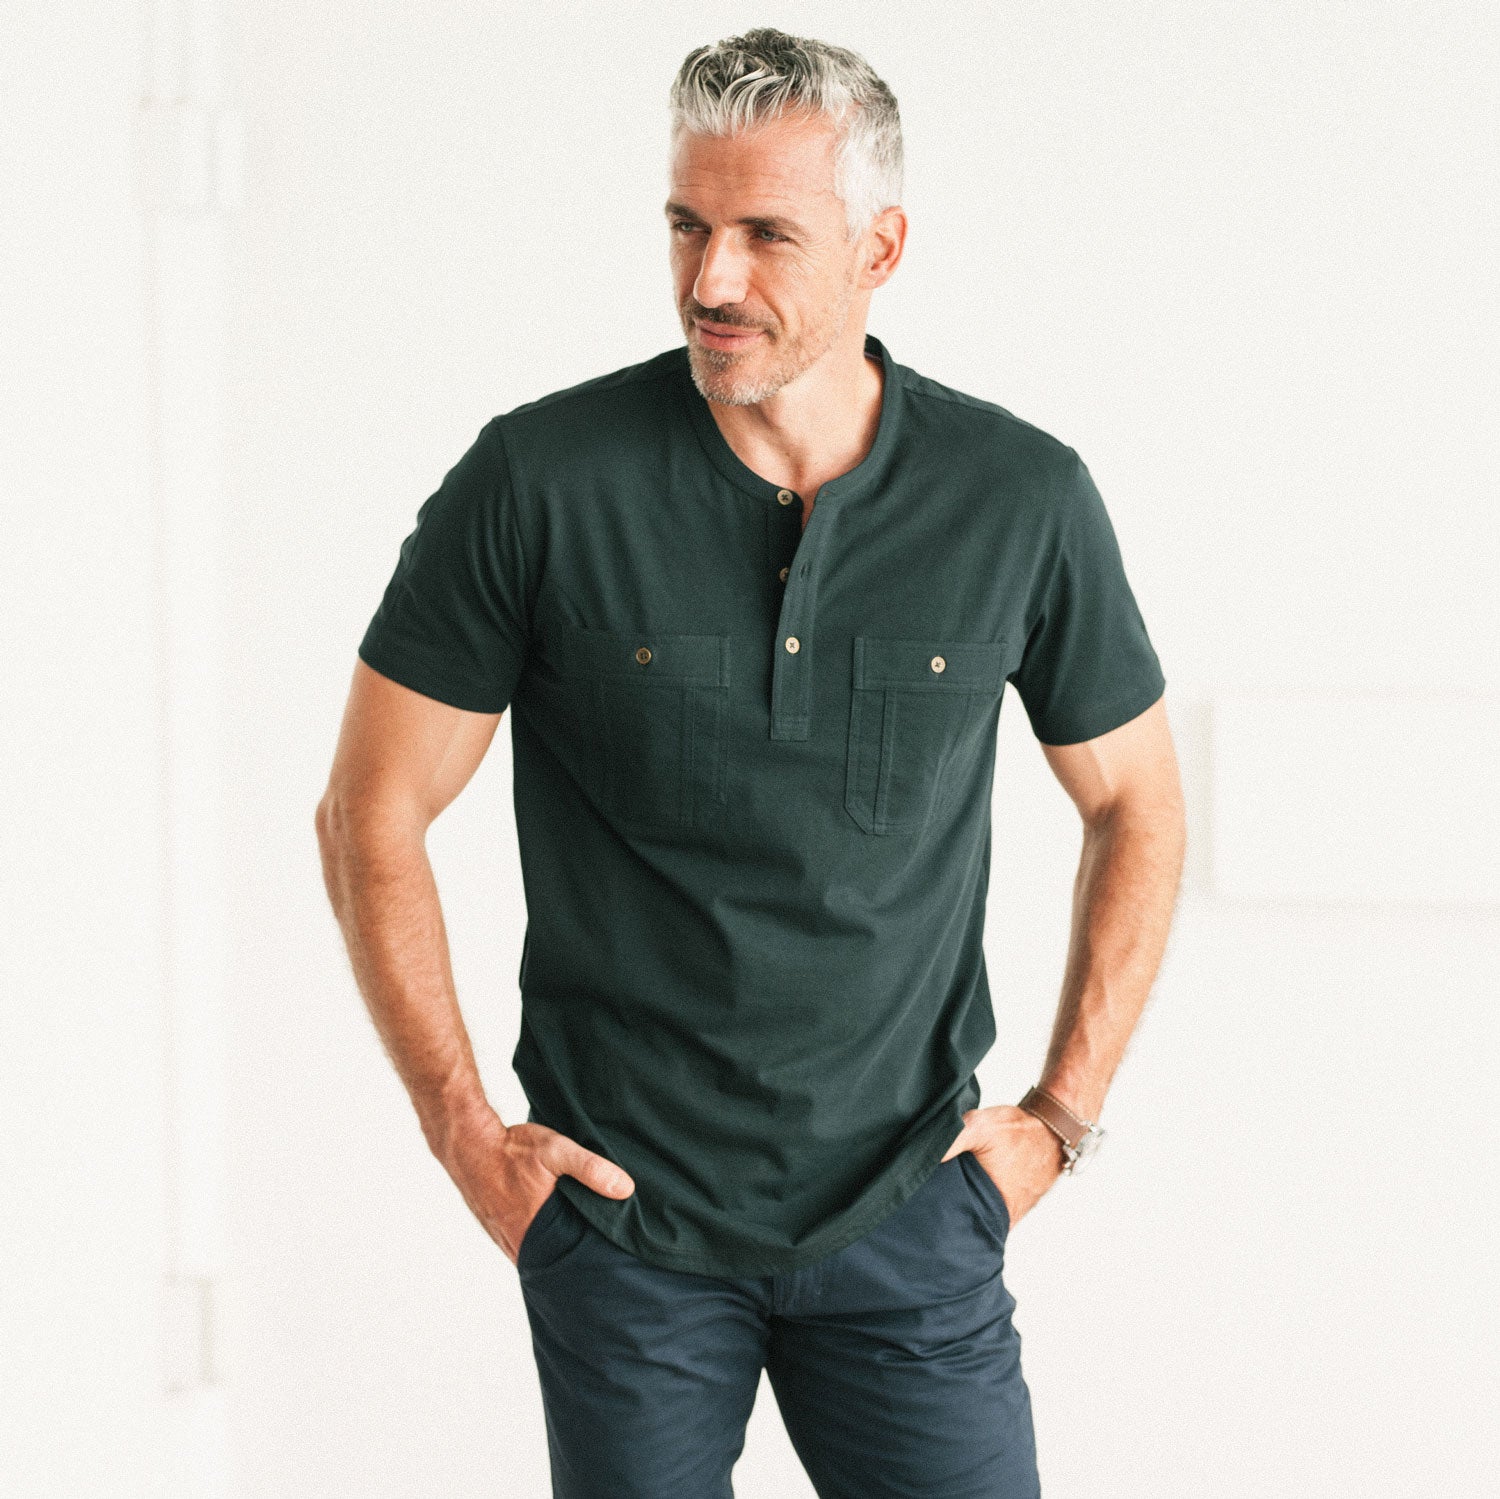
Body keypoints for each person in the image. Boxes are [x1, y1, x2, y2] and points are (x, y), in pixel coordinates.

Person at [315, 25, 1187, 1499]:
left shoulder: (1019, 497)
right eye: (687, 226)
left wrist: (1058, 1120)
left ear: (880, 247)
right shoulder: (539, 481)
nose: (711, 280)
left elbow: (1137, 803)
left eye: (767, 234)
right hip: (623, 1229)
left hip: (913, 1216)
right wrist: (466, 1136)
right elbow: (369, 810)